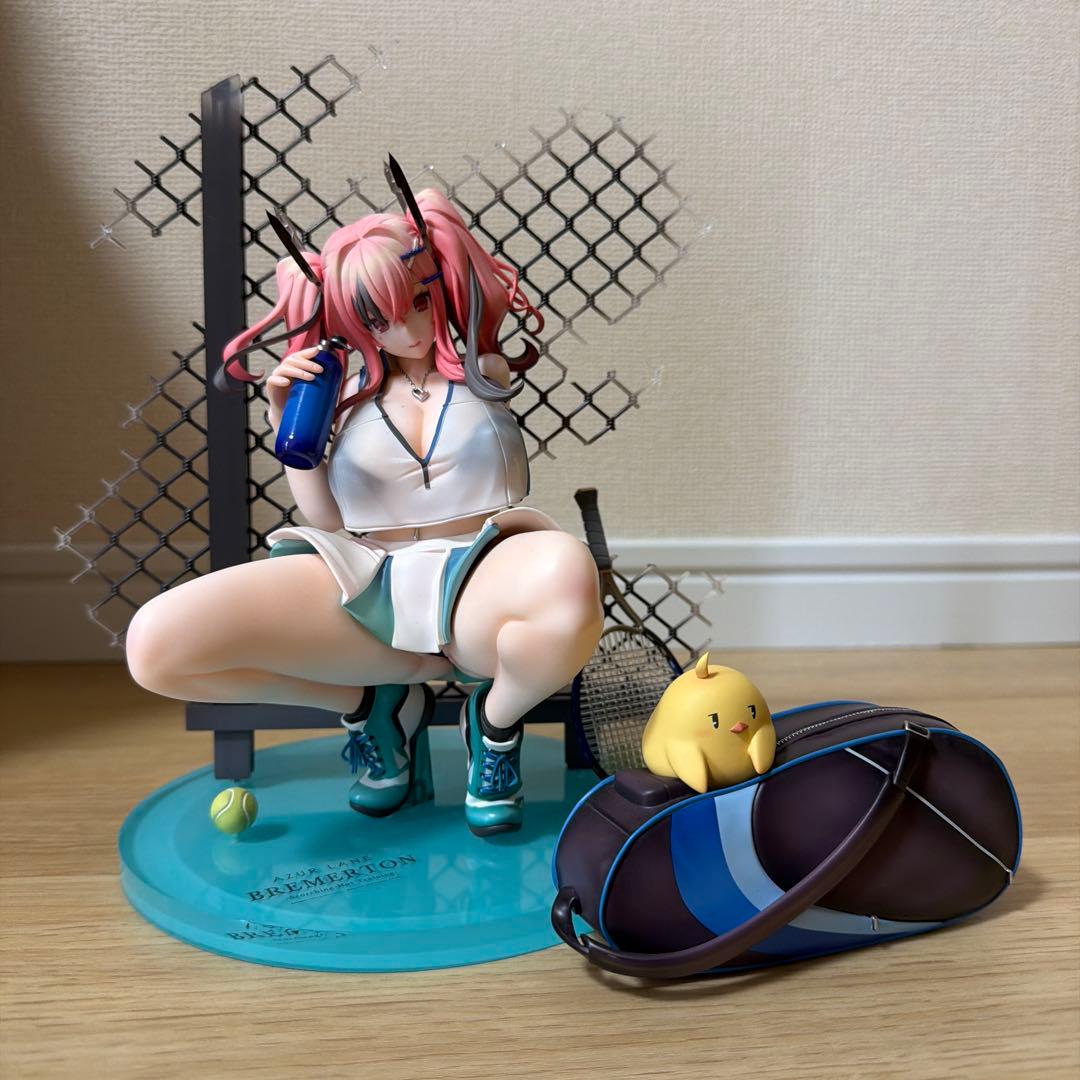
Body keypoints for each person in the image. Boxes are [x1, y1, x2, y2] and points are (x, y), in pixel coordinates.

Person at [125, 183, 604, 837]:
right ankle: (373, 710)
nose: (407, 329)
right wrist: (286, 421)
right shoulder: (340, 391)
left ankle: (493, 727)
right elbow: (326, 520)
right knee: (156, 647)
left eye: (419, 302)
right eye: (379, 319)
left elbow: (453, 247)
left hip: (481, 573)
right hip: (369, 578)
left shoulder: (482, 369)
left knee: (568, 571)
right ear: (352, 322)